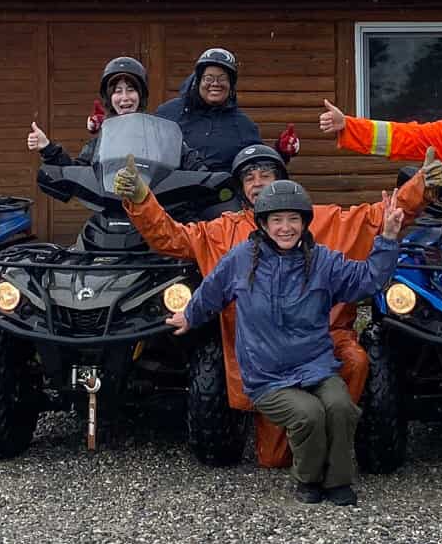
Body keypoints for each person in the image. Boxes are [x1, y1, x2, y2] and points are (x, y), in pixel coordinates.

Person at [115, 140, 442, 468]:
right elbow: (171, 238)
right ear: (241, 188)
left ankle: (336, 439)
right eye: (249, 177)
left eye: (266, 174)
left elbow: (378, 218)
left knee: (356, 361)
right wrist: (140, 199)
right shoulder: (222, 232)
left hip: (322, 342)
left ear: (284, 181)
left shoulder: (320, 221)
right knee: (274, 460)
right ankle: (311, 438)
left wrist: (421, 186)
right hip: (266, 358)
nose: (258, 183)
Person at [165, 180, 404, 506]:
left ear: (305, 222)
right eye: (276, 220)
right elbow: (211, 291)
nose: (285, 228)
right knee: (308, 414)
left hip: (315, 366)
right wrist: (189, 315)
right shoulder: (241, 259)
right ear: (263, 224)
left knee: (340, 407)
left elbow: (367, 280)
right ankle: (308, 479)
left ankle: (337, 481)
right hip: (268, 375)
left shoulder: (323, 261)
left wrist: (388, 238)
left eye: (293, 219)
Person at [25, 56, 205, 170]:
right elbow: (75, 171)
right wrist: (47, 148)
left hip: (155, 215)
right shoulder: (103, 140)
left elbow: (192, 164)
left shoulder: (160, 134)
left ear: (140, 95)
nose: (124, 97)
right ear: (110, 98)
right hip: (109, 214)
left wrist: (209, 179)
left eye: (131, 89)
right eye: (117, 91)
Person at [153, 47, 261, 172]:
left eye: (222, 78)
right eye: (208, 78)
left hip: (219, 190)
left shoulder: (244, 125)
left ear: (231, 85)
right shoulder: (168, 112)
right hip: (170, 188)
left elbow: (258, 166)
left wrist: (282, 151)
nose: (215, 84)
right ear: (198, 81)